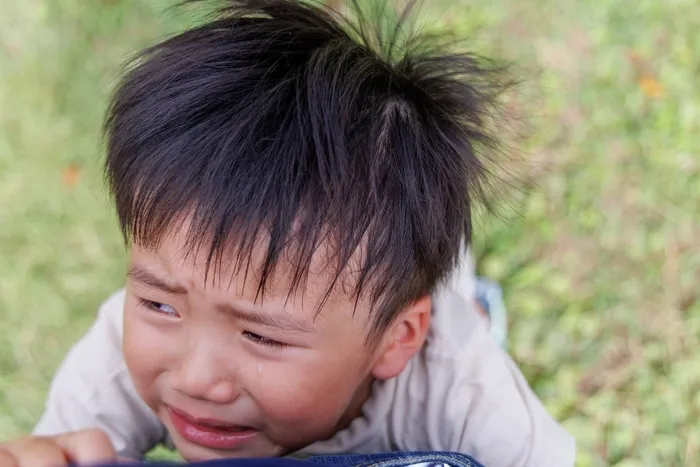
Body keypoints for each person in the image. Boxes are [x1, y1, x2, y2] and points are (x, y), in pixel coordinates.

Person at [0, 0, 574, 466]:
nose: (197, 378)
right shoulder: (112, 364)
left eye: (262, 337)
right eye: (159, 303)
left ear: (396, 339)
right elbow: (63, 445)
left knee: (446, 282)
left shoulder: (463, 393)